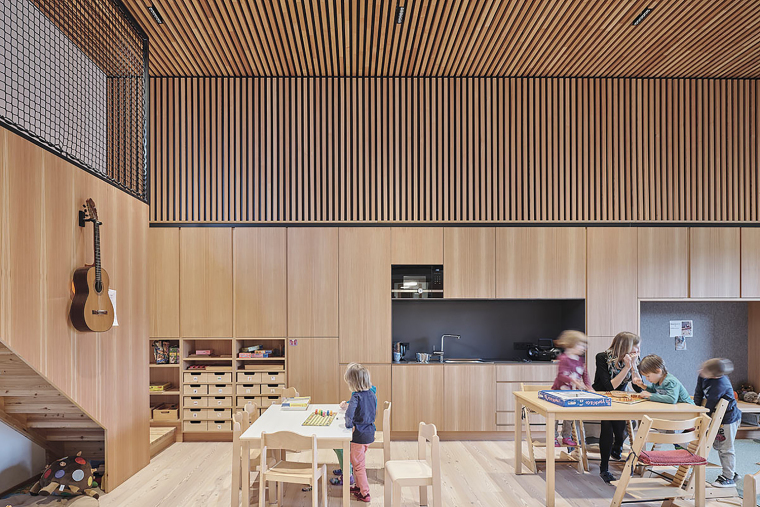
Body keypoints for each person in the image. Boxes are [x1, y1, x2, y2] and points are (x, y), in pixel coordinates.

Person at [592, 331, 643, 484]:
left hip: (619, 399)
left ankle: (618, 444)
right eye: (635, 348)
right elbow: (609, 387)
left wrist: (634, 367)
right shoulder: (602, 357)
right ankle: (604, 468)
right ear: (624, 348)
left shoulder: (635, 359)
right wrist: (626, 368)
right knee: (607, 425)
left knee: (620, 430)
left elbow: (638, 388)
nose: (637, 351)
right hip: (602, 396)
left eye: (638, 348)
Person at [694, 358, 741, 488]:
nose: (700, 371)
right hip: (715, 417)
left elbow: (710, 404)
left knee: (725, 448)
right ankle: (731, 472)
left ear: (715, 376)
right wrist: (695, 411)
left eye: (705, 370)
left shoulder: (720, 384)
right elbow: (698, 393)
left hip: (728, 419)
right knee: (717, 445)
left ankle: (729, 477)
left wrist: (703, 420)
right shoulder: (702, 376)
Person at [340, 363, 377, 503]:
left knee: (358, 465)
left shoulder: (356, 396)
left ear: (353, 383)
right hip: (369, 433)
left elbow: (349, 415)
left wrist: (349, 426)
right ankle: (358, 486)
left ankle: (365, 493)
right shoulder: (372, 394)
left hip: (359, 436)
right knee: (357, 462)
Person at [552, 330, 593, 447]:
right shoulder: (563, 358)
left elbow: (585, 374)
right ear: (571, 344)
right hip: (559, 392)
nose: (584, 348)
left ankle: (566, 436)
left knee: (569, 416)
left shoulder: (580, 360)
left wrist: (589, 387)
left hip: (572, 393)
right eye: (581, 345)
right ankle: (553, 436)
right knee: (554, 417)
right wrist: (572, 380)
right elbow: (561, 375)